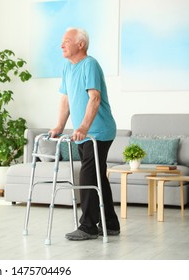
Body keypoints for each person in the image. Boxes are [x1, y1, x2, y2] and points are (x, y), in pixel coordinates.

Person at [49, 27, 120, 241]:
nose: (62, 45)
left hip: (99, 132)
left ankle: (88, 226)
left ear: (80, 44)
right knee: (98, 177)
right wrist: (60, 127)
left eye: (67, 41)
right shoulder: (67, 68)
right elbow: (66, 100)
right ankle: (110, 223)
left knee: (88, 174)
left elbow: (95, 98)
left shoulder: (90, 64)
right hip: (86, 133)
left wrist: (83, 128)